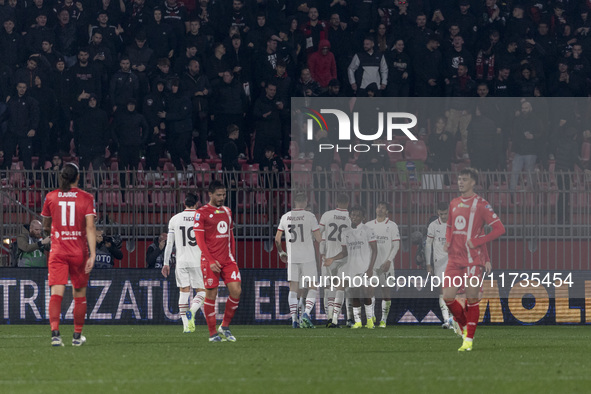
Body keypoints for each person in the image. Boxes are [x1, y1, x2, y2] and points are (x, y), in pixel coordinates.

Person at [443, 167, 505, 352]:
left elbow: (500, 229)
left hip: (472, 260)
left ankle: (468, 340)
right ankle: (462, 325)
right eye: (459, 179)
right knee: (447, 297)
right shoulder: (453, 203)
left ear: (473, 182)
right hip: (454, 259)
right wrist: (447, 242)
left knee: (471, 299)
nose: (460, 182)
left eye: (464, 179)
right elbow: (449, 226)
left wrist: (478, 241)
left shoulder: (481, 205)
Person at [41, 163, 96, 347]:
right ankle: (77, 336)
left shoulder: (51, 197)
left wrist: (51, 232)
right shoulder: (87, 198)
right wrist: (93, 253)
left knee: (56, 294)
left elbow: (45, 226)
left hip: (58, 251)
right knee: (79, 295)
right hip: (79, 252)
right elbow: (90, 227)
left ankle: (55, 335)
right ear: (78, 177)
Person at [194, 181, 241, 342]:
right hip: (210, 261)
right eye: (219, 195)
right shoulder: (202, 213)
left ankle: (225, 326)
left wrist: (232, 256)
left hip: (227, 260)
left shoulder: (228, 211)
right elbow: (200, 241)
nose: (222, 198)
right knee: (211, 295)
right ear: (210, 194)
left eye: (224, 195)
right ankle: (213, 333)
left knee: (236, 291)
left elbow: (231, 236)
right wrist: (210, 260)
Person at [324, 205, 378, 329]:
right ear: (350, 216)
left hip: (365, 267)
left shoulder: (367, 230)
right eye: (353, 215)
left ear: (363, 217)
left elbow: (375, 250)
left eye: (358, 215)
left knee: (366, 293)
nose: (355, 217)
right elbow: (344, 252)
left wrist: (370, 268)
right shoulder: (345, 232)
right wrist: (332, 258)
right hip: (352, 267)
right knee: (354, 293)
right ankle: (358, 321)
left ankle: (369, 320)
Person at [275, 192, 322, 328]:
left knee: (293, 289)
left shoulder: (285, 217)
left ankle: (294, 319)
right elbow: (319, 238)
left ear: (294, 202)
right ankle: (306, 313)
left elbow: (277, 239)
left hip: (293, 257)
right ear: (306, 202)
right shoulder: (310, 216)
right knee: (313, 286)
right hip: (308, 257)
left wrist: (281, 252)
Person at [162, 193, 206, 333]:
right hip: (197, 260)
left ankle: (186, 327)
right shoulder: (201, 217)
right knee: (202, 291)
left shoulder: (175, 219)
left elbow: (169, 244)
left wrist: (166, 263)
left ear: (184, 203)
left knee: (183, 292)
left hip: (181, 261)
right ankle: (192, 311)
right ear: (197, 203)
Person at [365, 202, 400, 328]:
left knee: (386, 292)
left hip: (386, 265)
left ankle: (383, 320)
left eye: (383, 207)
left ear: (387, 211)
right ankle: (372, 316)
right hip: (372, 265)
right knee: (370, 290)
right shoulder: (368, 225)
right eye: (378, 207)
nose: (380, 209)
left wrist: (389, 260)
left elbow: (396, 245)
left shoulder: (392, 226)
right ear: (375, 209)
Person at [318, 193, 351, 328]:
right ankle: (339, 318)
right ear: (347, 203)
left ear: (336, 202)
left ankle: (329, 317)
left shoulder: (327, 215)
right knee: (342, 288)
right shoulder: (350, 217)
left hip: (328, 256)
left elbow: (319, 234)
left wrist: (322, 253)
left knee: (328, 288)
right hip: (345, 257)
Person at [425, 202, 454, 329]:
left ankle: (454, 319)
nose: (443, 216)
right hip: (439, 263)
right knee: (442, 291)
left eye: (445, 213)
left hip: (454, 262)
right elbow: (428, 245)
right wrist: (428, 263)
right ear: (438, 212)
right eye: (441, 213)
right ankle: (447, 320)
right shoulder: (433, 225)